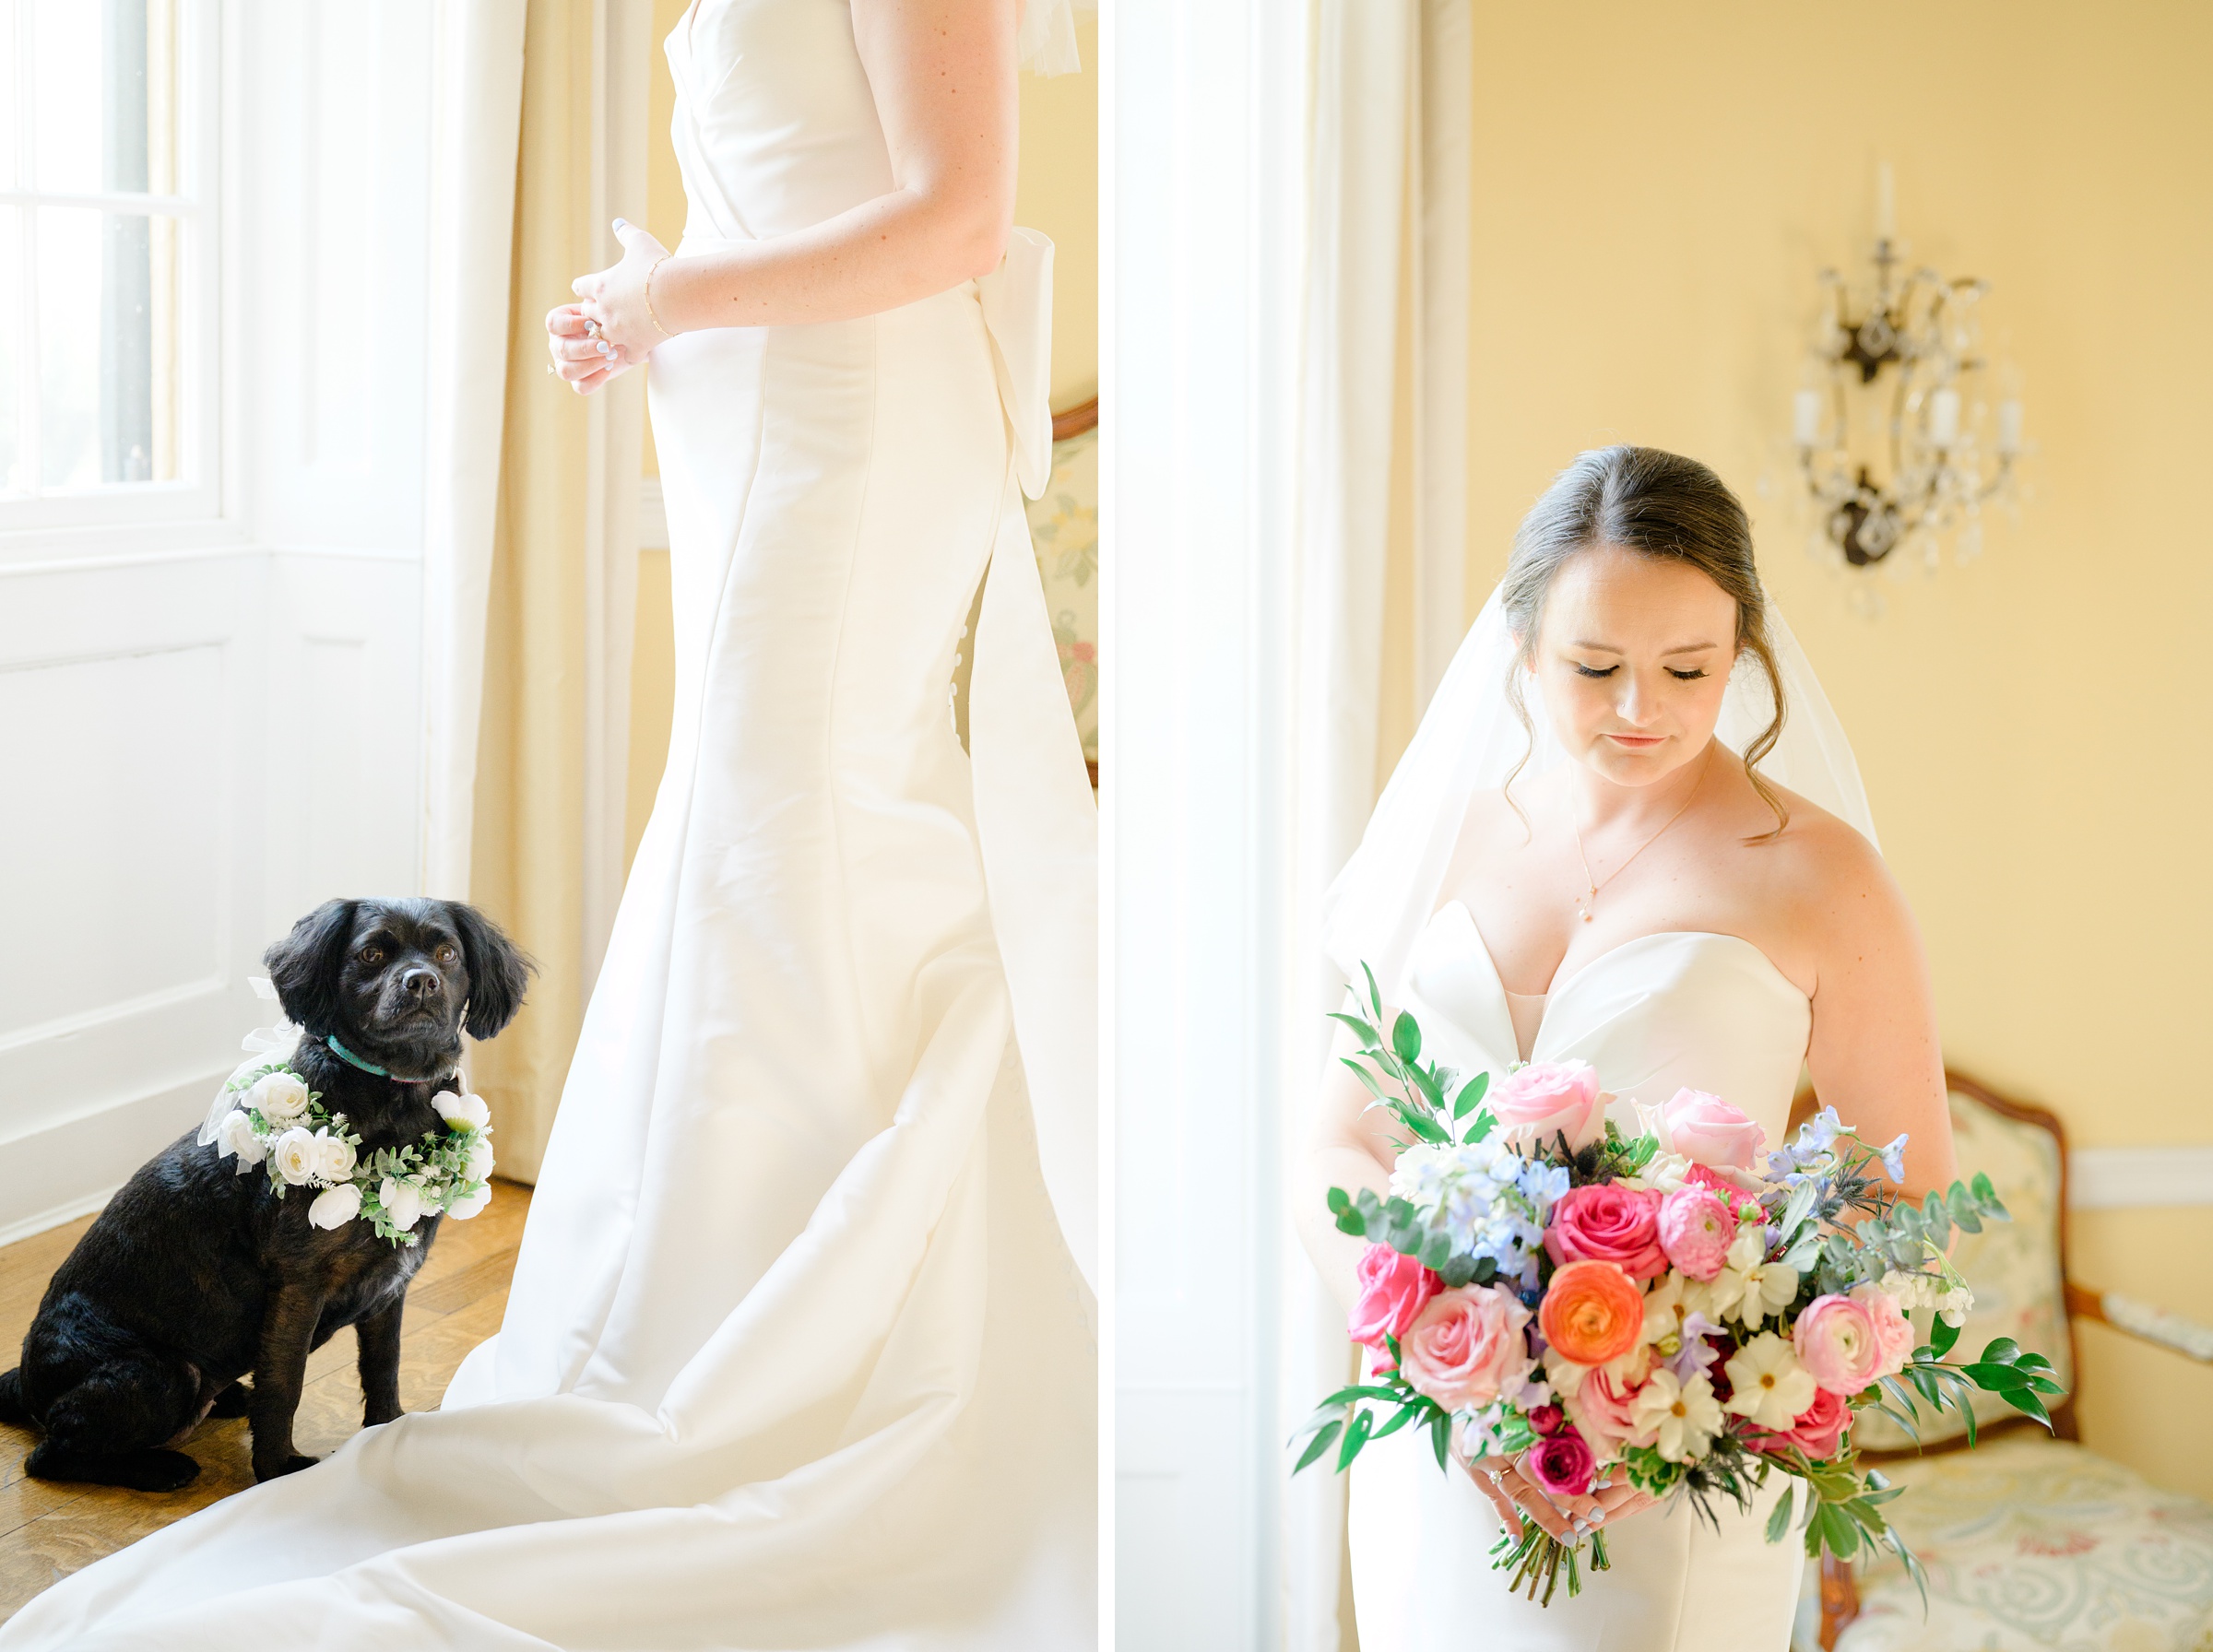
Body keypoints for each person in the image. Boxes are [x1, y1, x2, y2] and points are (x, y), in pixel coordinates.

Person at [1, 1, 1095, 1646]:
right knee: (769, 844)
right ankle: (747, 1296)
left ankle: (803, 1336)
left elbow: (949, 218)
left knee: (794, 840)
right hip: (792, 410)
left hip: (853, 420)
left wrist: (669, 296)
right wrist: (669, 321)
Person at [1297, 444, 1956, 1650]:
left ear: (1745, 656)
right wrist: (1437, 1352)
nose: (1640, 708)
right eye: (1594, 667)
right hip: (1437, 1437)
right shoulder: (1446, 841)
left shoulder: (1821, 878)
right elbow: (1339, 1141)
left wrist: (1681, 1371)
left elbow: (1904, 1188)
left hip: (1669, 1465)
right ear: (1521, 649)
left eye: (1687, 668)